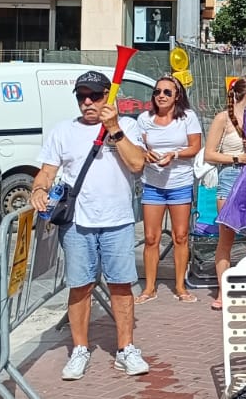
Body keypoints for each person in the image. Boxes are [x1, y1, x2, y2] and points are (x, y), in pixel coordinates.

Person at [28, 70, 151, 379]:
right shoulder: (63, 131)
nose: (87, 102)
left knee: (121, 286)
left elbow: (137, 164)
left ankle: (126, 349)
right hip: (78, 223)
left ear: (108, 97)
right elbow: (46, 170)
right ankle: (80, 348)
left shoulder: (128, 126)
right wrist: (38, 189)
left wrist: (114, 129)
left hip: (118, 220)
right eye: (82, 96)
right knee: (79, 286)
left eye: (95, 96)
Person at [135, 74, 202, 304]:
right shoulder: (144, 118)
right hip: (153, 183)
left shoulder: (188, 117)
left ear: (177, 96)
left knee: (180, 236)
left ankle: (180, 286)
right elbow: (138, 147)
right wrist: (146, 154)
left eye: (166, 92)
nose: (161, 96)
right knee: (151, 237)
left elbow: (195, 147)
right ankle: (149, 288)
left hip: (180, 182)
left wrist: (175, 154)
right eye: (157, 92)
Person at [205, 76, 246, 310]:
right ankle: (223, 291)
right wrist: (237, 157)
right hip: (231, 178)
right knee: (227, 238)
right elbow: (209, 155)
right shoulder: (223, 119)